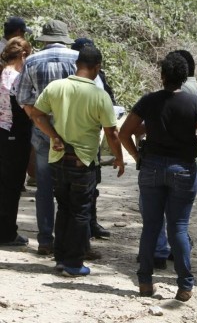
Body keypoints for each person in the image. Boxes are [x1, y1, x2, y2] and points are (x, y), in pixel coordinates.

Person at [119, 52, 197, 301]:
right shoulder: (194, 103)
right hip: (183, 168)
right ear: (184, 78)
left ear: (162, 76)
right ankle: (184, 286)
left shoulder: (149, 101)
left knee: (151, 226)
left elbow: (124, 132)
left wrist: (137, 156)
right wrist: (190, 139)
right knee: (178, 228)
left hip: (151, 167)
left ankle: (145, 283)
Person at [29, 45, 125, 277]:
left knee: (63, 207)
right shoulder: (99, 96)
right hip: (83, 162)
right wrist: (120, 158)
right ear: (97, 67)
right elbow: (111, 133)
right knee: (81, 212)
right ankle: (73, 263)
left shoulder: (56, 87)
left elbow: (36, 114)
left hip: (58, 158)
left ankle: (61, 258)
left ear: (77, 64)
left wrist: (53, 136)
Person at [15, 19, 78, 255]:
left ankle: (45, 239)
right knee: (72, 185)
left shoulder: (31, 61)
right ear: (64, 38)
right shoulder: (78, 59)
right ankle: (70, 240)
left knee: (44, 186)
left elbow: (22, 98)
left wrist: (38, 119)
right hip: (74, 130)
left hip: (43, 132)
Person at [71, 37, 113, 240]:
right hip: (75, 140)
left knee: (92, 185)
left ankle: (90, 224)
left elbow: (110, 100)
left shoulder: (100, 77)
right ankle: (80, 235)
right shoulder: (69, 78)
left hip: (91, 138)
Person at [0, 38, 32, 246]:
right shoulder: (16, 78)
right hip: (14, 135)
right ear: (23, 55)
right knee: (12, 185)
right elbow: (25, 108)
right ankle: (7, 233)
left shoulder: (1, 73)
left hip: (2, 132)